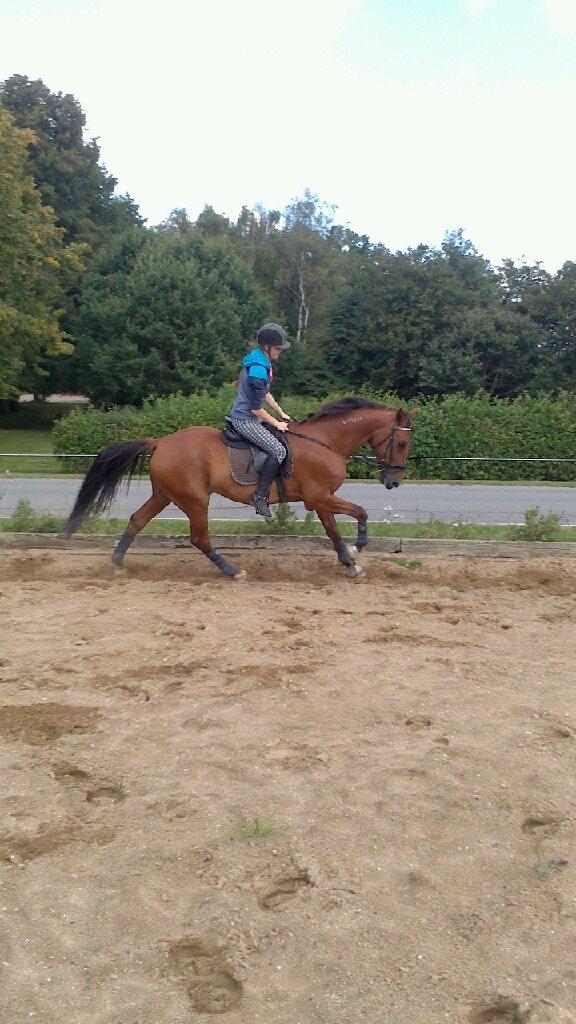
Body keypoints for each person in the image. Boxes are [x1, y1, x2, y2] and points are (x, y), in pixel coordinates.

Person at [229, 323, 291, 517]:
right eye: (278, 348)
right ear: (267, 347)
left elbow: (266, 393)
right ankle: (259, 496)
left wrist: (281, 412)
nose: (280, 352)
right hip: (245, 419)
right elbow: (256, 409)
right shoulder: (258, 370)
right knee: (279, 450)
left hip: (250, 415)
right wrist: (276, 422)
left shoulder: (260, 361)